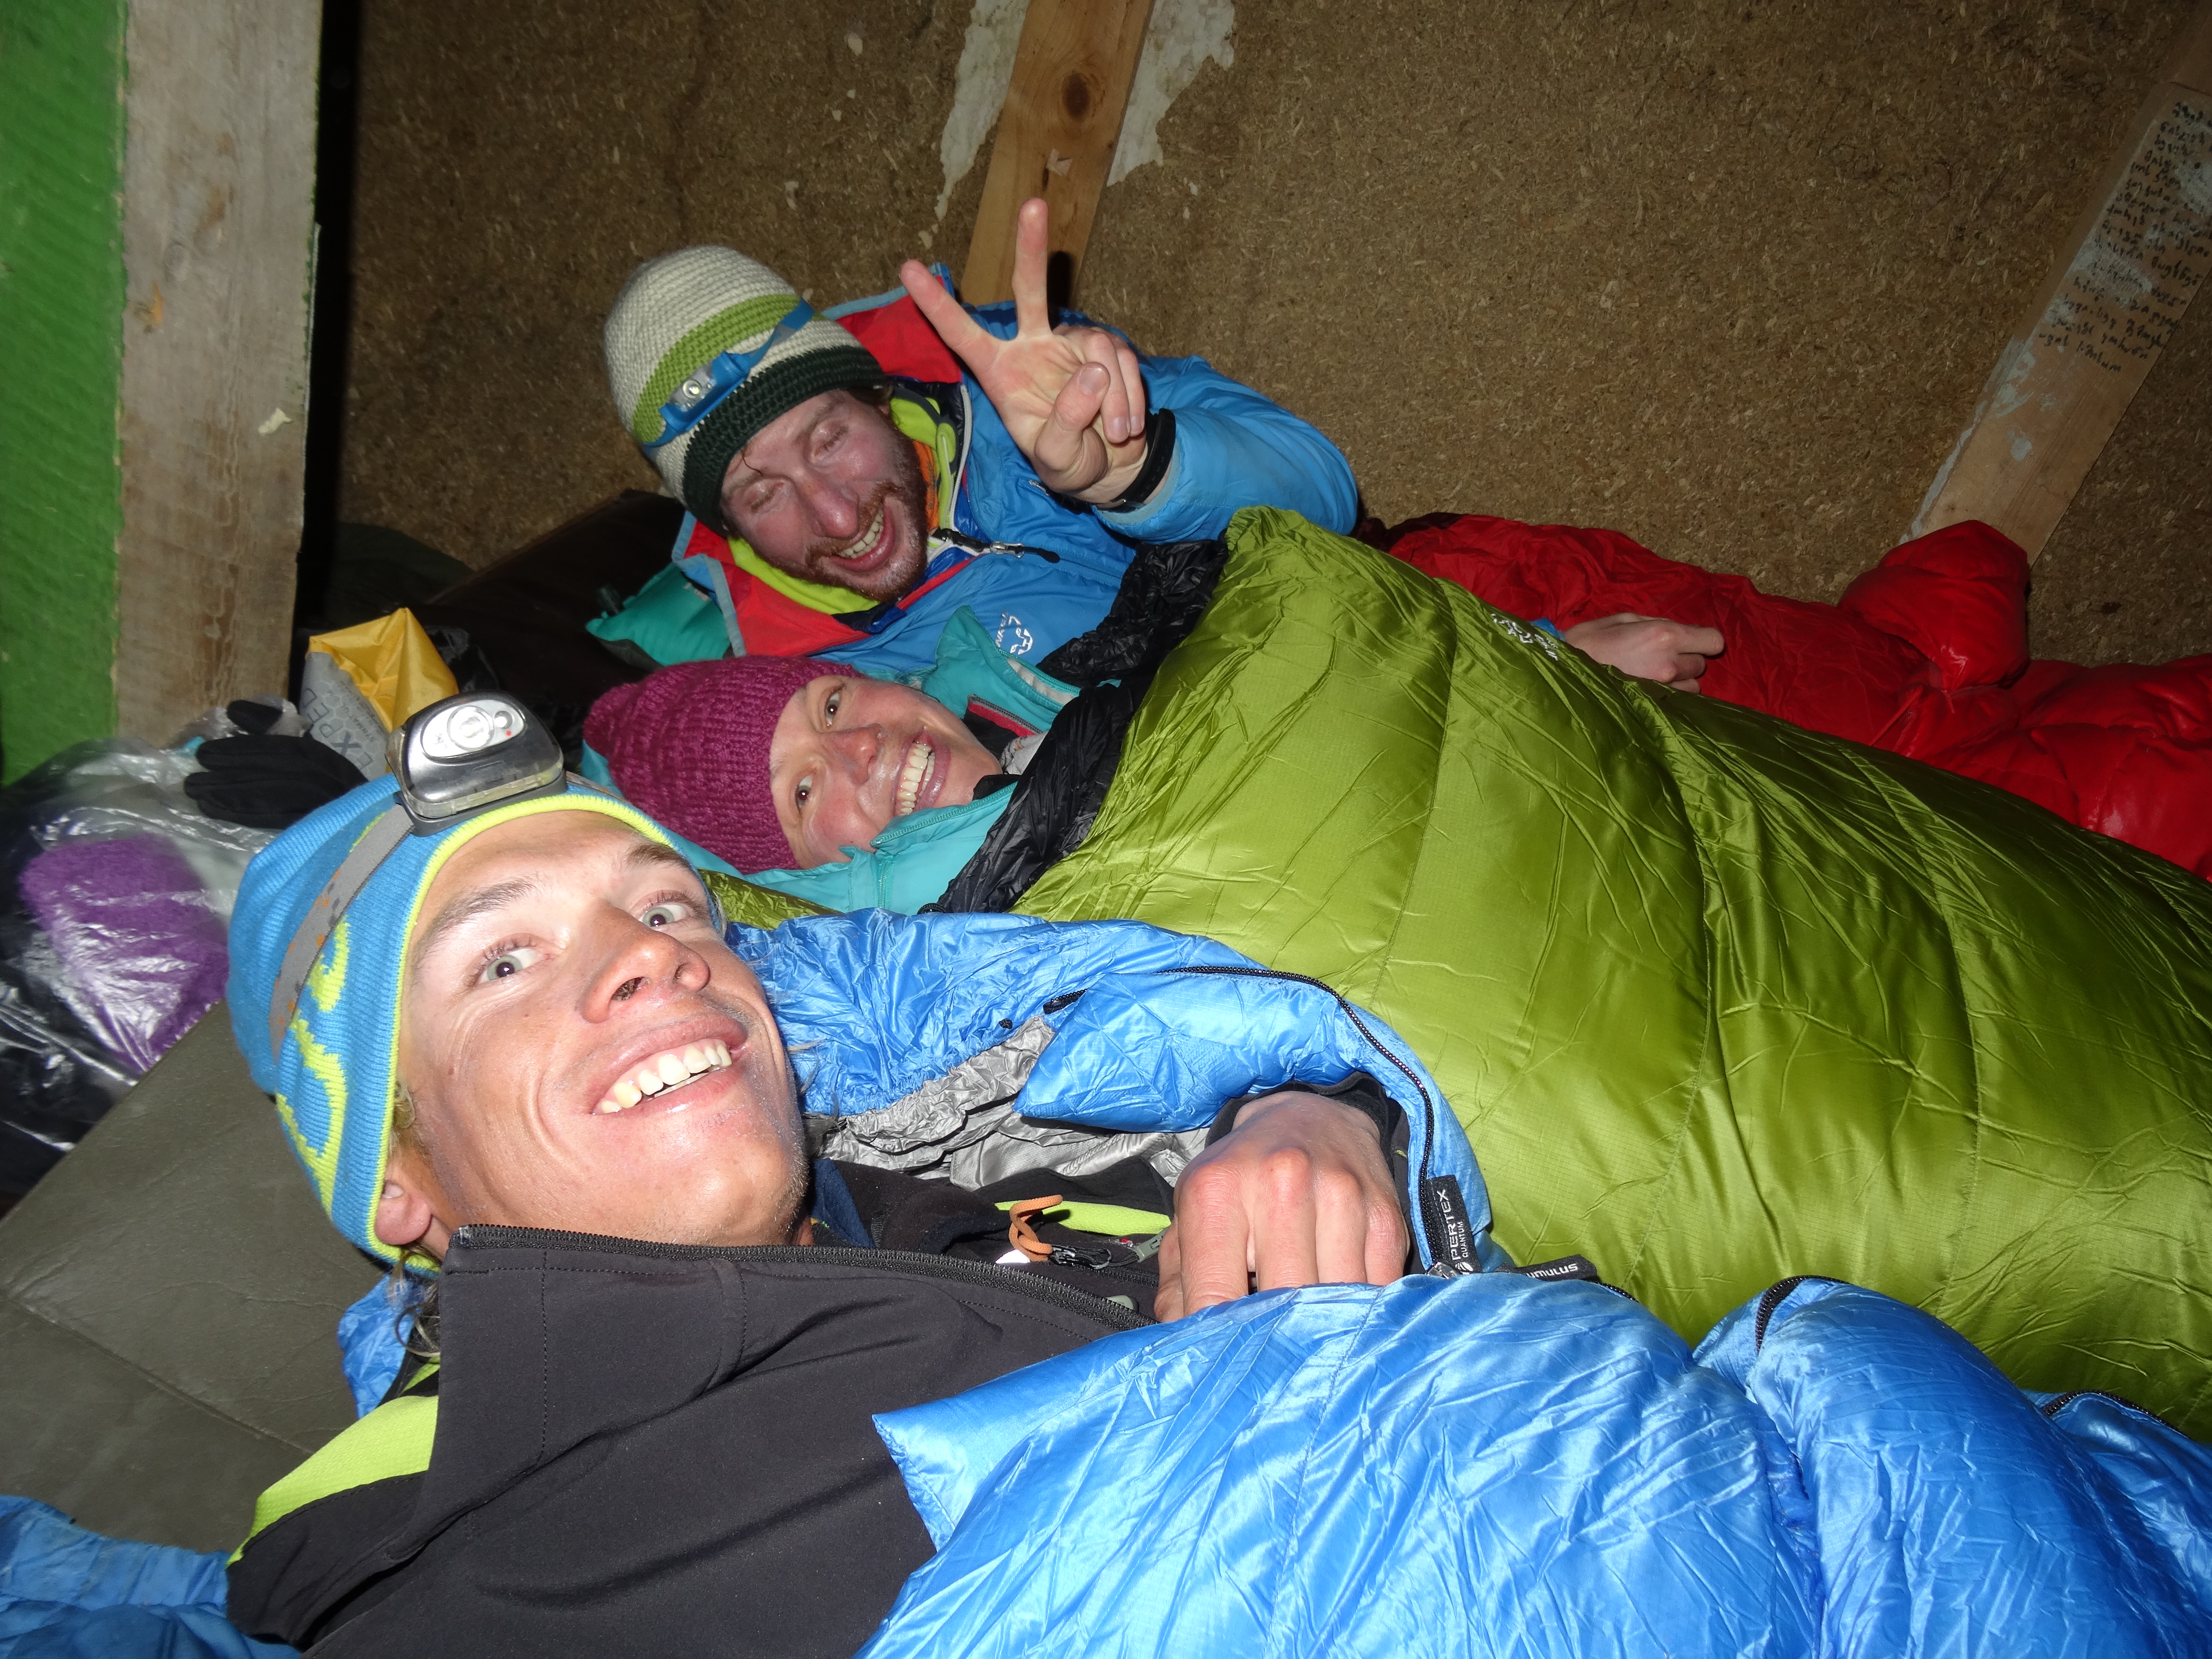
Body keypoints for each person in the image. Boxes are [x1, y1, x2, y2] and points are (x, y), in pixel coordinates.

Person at [210, 707, 2212, 1659]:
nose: (649, 952)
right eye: (501, 960)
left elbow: (1163, 1010)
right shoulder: (489, 1541)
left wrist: (1321, 1103)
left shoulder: (915, 1150)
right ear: (401, 1183)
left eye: (659, 899)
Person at [602, 197, 1359, 677]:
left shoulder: (1030, 381)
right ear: (724, 525)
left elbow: (1330, 497)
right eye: (762, 494)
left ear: (876, 392)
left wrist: (1133, 473)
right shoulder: (808, 695)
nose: (836, 519)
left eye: (828, 439)